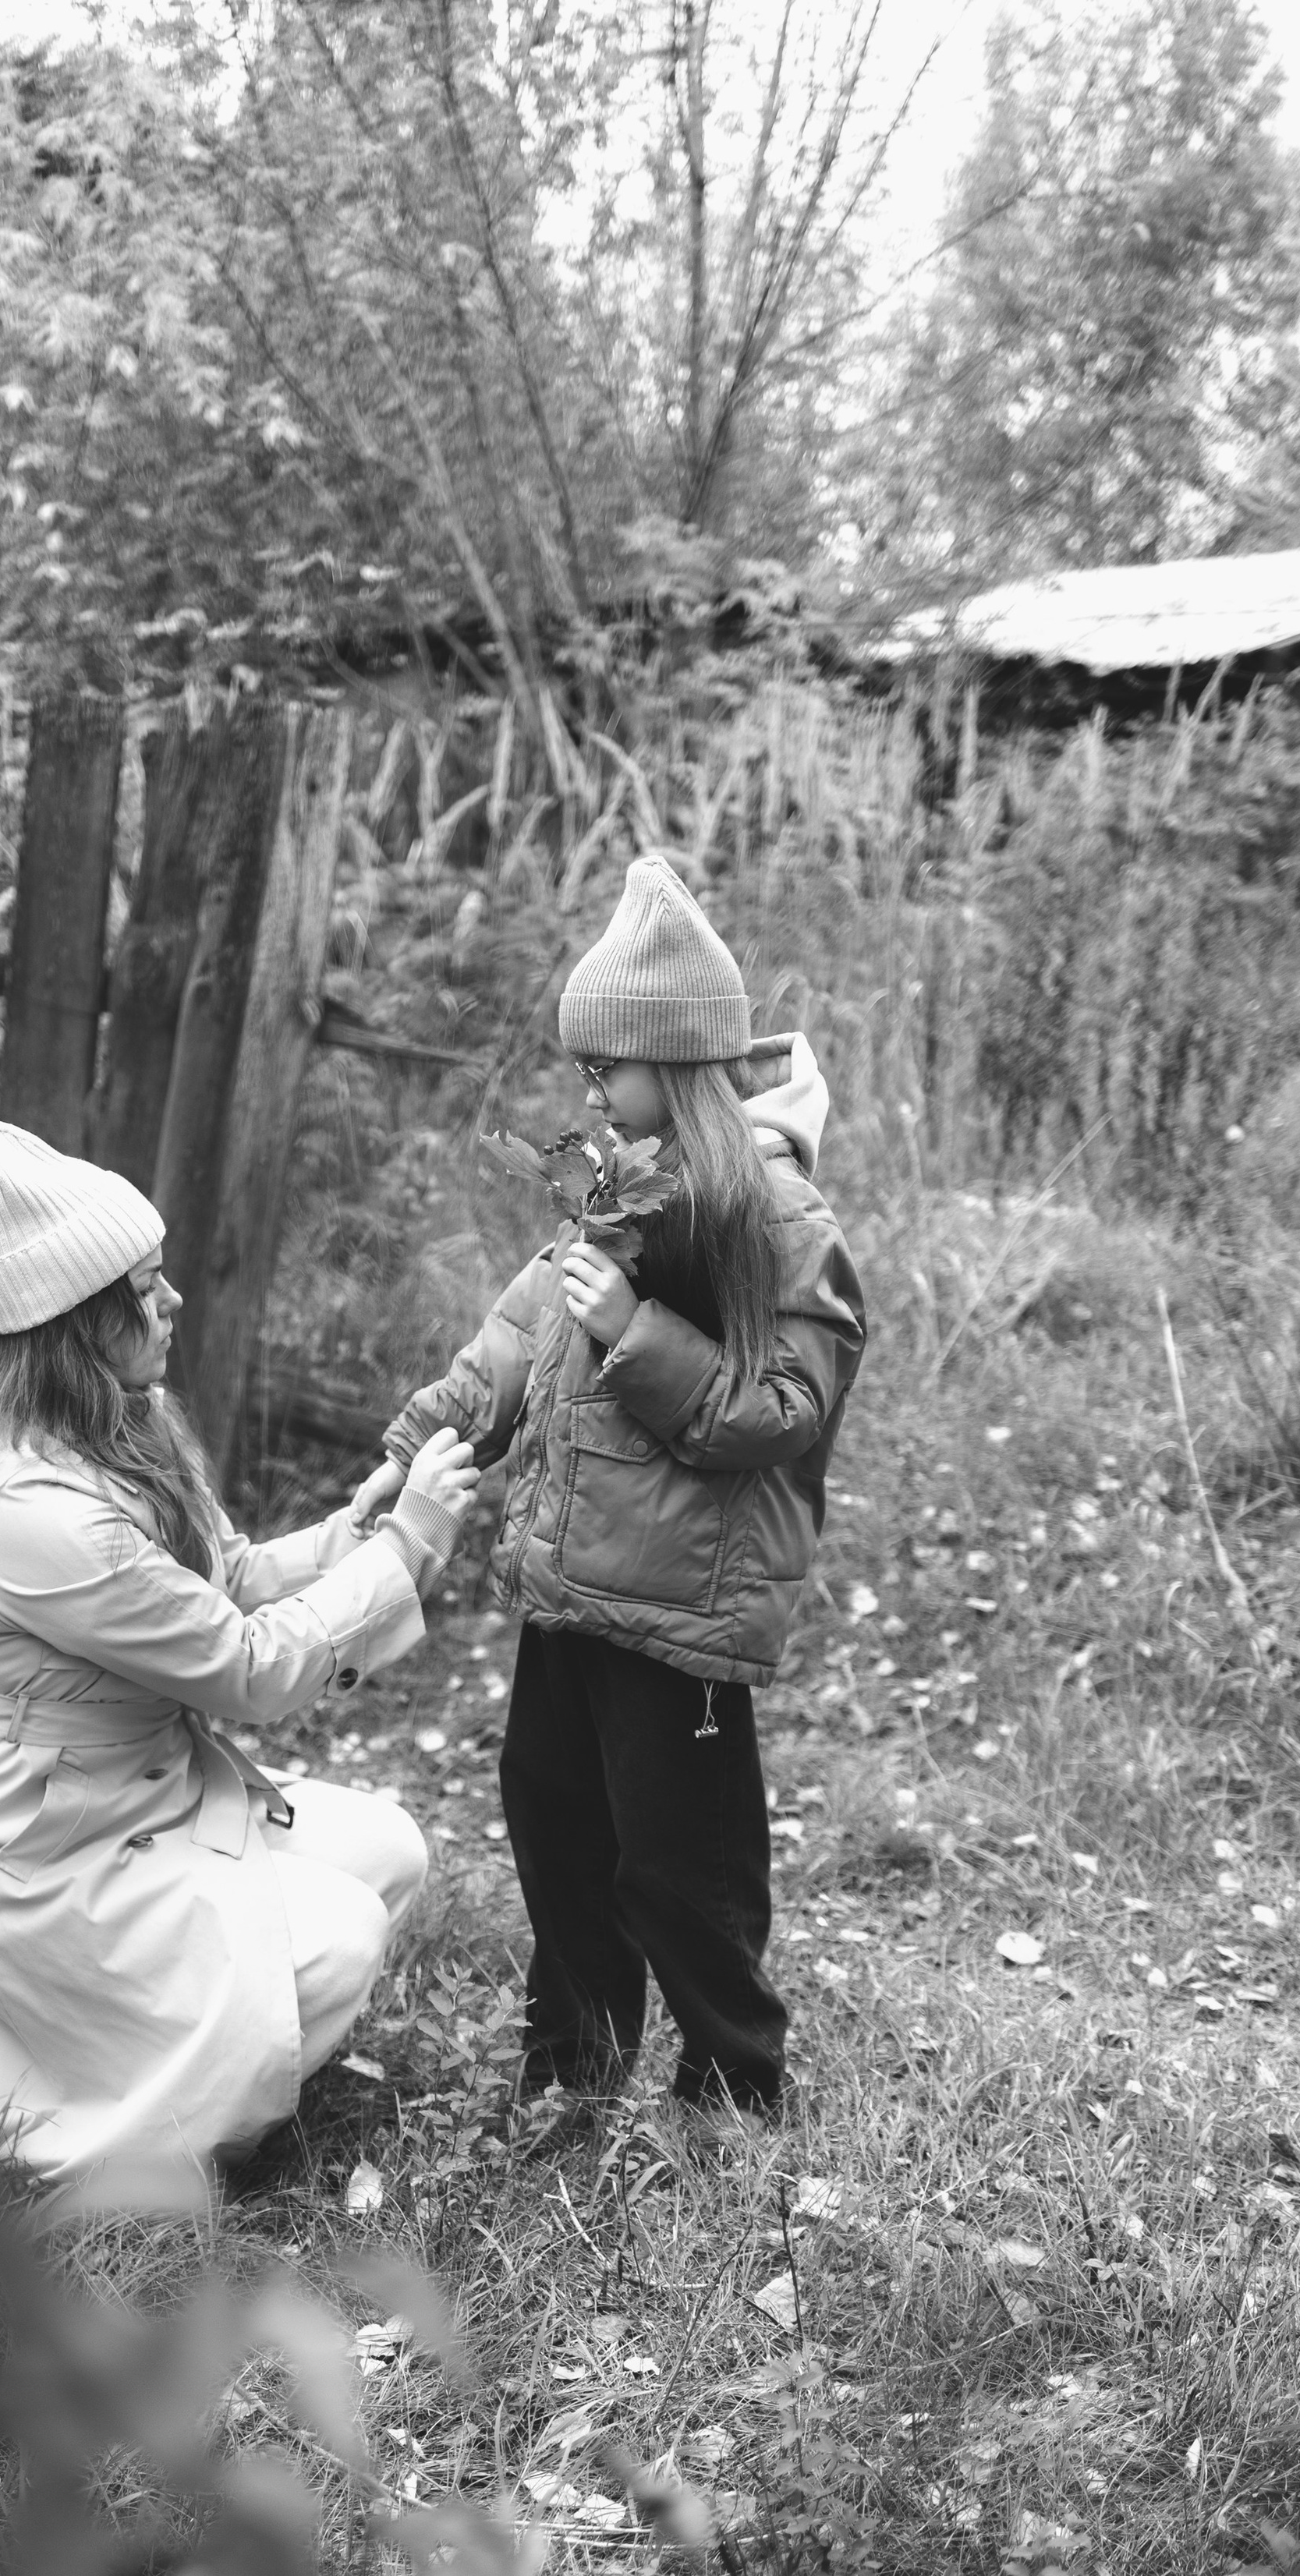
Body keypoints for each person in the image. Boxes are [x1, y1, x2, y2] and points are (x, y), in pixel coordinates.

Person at [0, 1116, 477, 2215]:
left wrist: (359, 1533)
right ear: (75, 1325)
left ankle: (172, 2065)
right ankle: (145, 2154)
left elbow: (229, 1575)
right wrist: (408, 1549)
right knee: (344, 1935)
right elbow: (247, 1671)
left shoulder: (128, 1422)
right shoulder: (29, 1509)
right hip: (36, 1842)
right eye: (144, 1288)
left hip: (138, 1793)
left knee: (389, 1852)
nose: (171, 1302)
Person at [368, 856, 865, 2125]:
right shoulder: (614, 1190)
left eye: (608, 1066)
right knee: (554, 1825)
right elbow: (513, 1345)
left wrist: (640, 1334)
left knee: (680, 1865)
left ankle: (735, 2086)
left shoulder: (777, 1222)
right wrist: (418, 1446)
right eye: (584, 1065)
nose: (588, 1086)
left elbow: (787, 1411)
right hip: (570, 1589)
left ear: (677, 1061)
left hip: (677, 1613)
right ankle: (570, 2074)